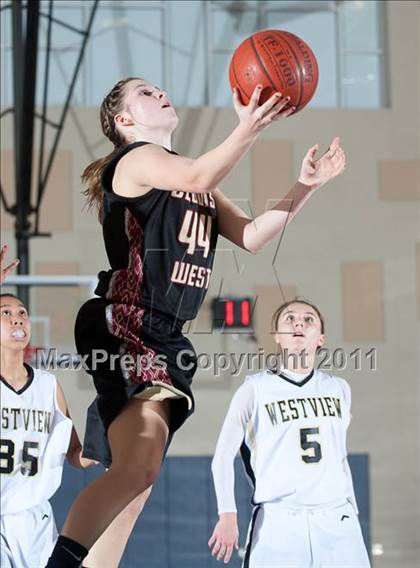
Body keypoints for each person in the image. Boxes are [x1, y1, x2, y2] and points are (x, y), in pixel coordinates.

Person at [46, 77, 346, 567]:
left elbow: (251, 236)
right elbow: (202, 175)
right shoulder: (136, 160)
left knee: (135, 482)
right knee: (135, 474)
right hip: (125, 320)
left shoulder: (193, 181)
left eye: (160, 88)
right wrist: (248, 126)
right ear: (125, 122)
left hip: (164, 334)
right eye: (144, 93)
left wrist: (304, 186)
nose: (160, 92)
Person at [208, 299, 371, 567]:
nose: (299, 323)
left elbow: (340, 456)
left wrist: (351, 511)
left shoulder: (340, 389)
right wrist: (227, 513)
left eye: (309, 320)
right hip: (278, 522)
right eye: (289, 319)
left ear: (320, 338)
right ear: (278, 338)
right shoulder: (254, 389)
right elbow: (223, 456)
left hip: (338, 520)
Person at [0, 245, 96, 568]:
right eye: (6, 313)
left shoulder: (48, 385)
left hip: (36, 522)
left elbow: (73, 453)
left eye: (22, 313)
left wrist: (99, 450)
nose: (17, 318)